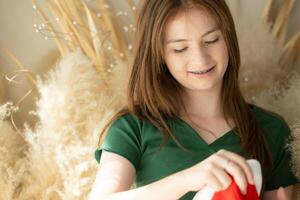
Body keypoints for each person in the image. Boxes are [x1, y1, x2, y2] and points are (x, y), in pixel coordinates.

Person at [88, 0, 299, 199]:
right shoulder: (133, 128)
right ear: (160, 54)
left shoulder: (272, 130)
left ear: (228, 39)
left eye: (211, 40)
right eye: (180, 48)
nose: (200, 58)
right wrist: (187, 179)